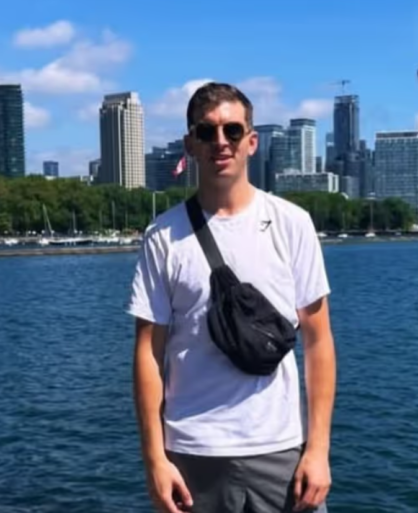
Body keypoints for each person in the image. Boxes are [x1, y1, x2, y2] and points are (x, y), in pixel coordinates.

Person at [127, 82, 336, 513]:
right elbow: (148, 352)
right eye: (206, 132)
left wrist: (318, 450)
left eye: (232, 130)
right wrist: (154, 459)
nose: (220, 142)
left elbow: (318, 342)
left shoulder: (292, 223)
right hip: (192, 452)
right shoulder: (162, 236)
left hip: (281, 448)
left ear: (251, 141)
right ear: (190, 144)